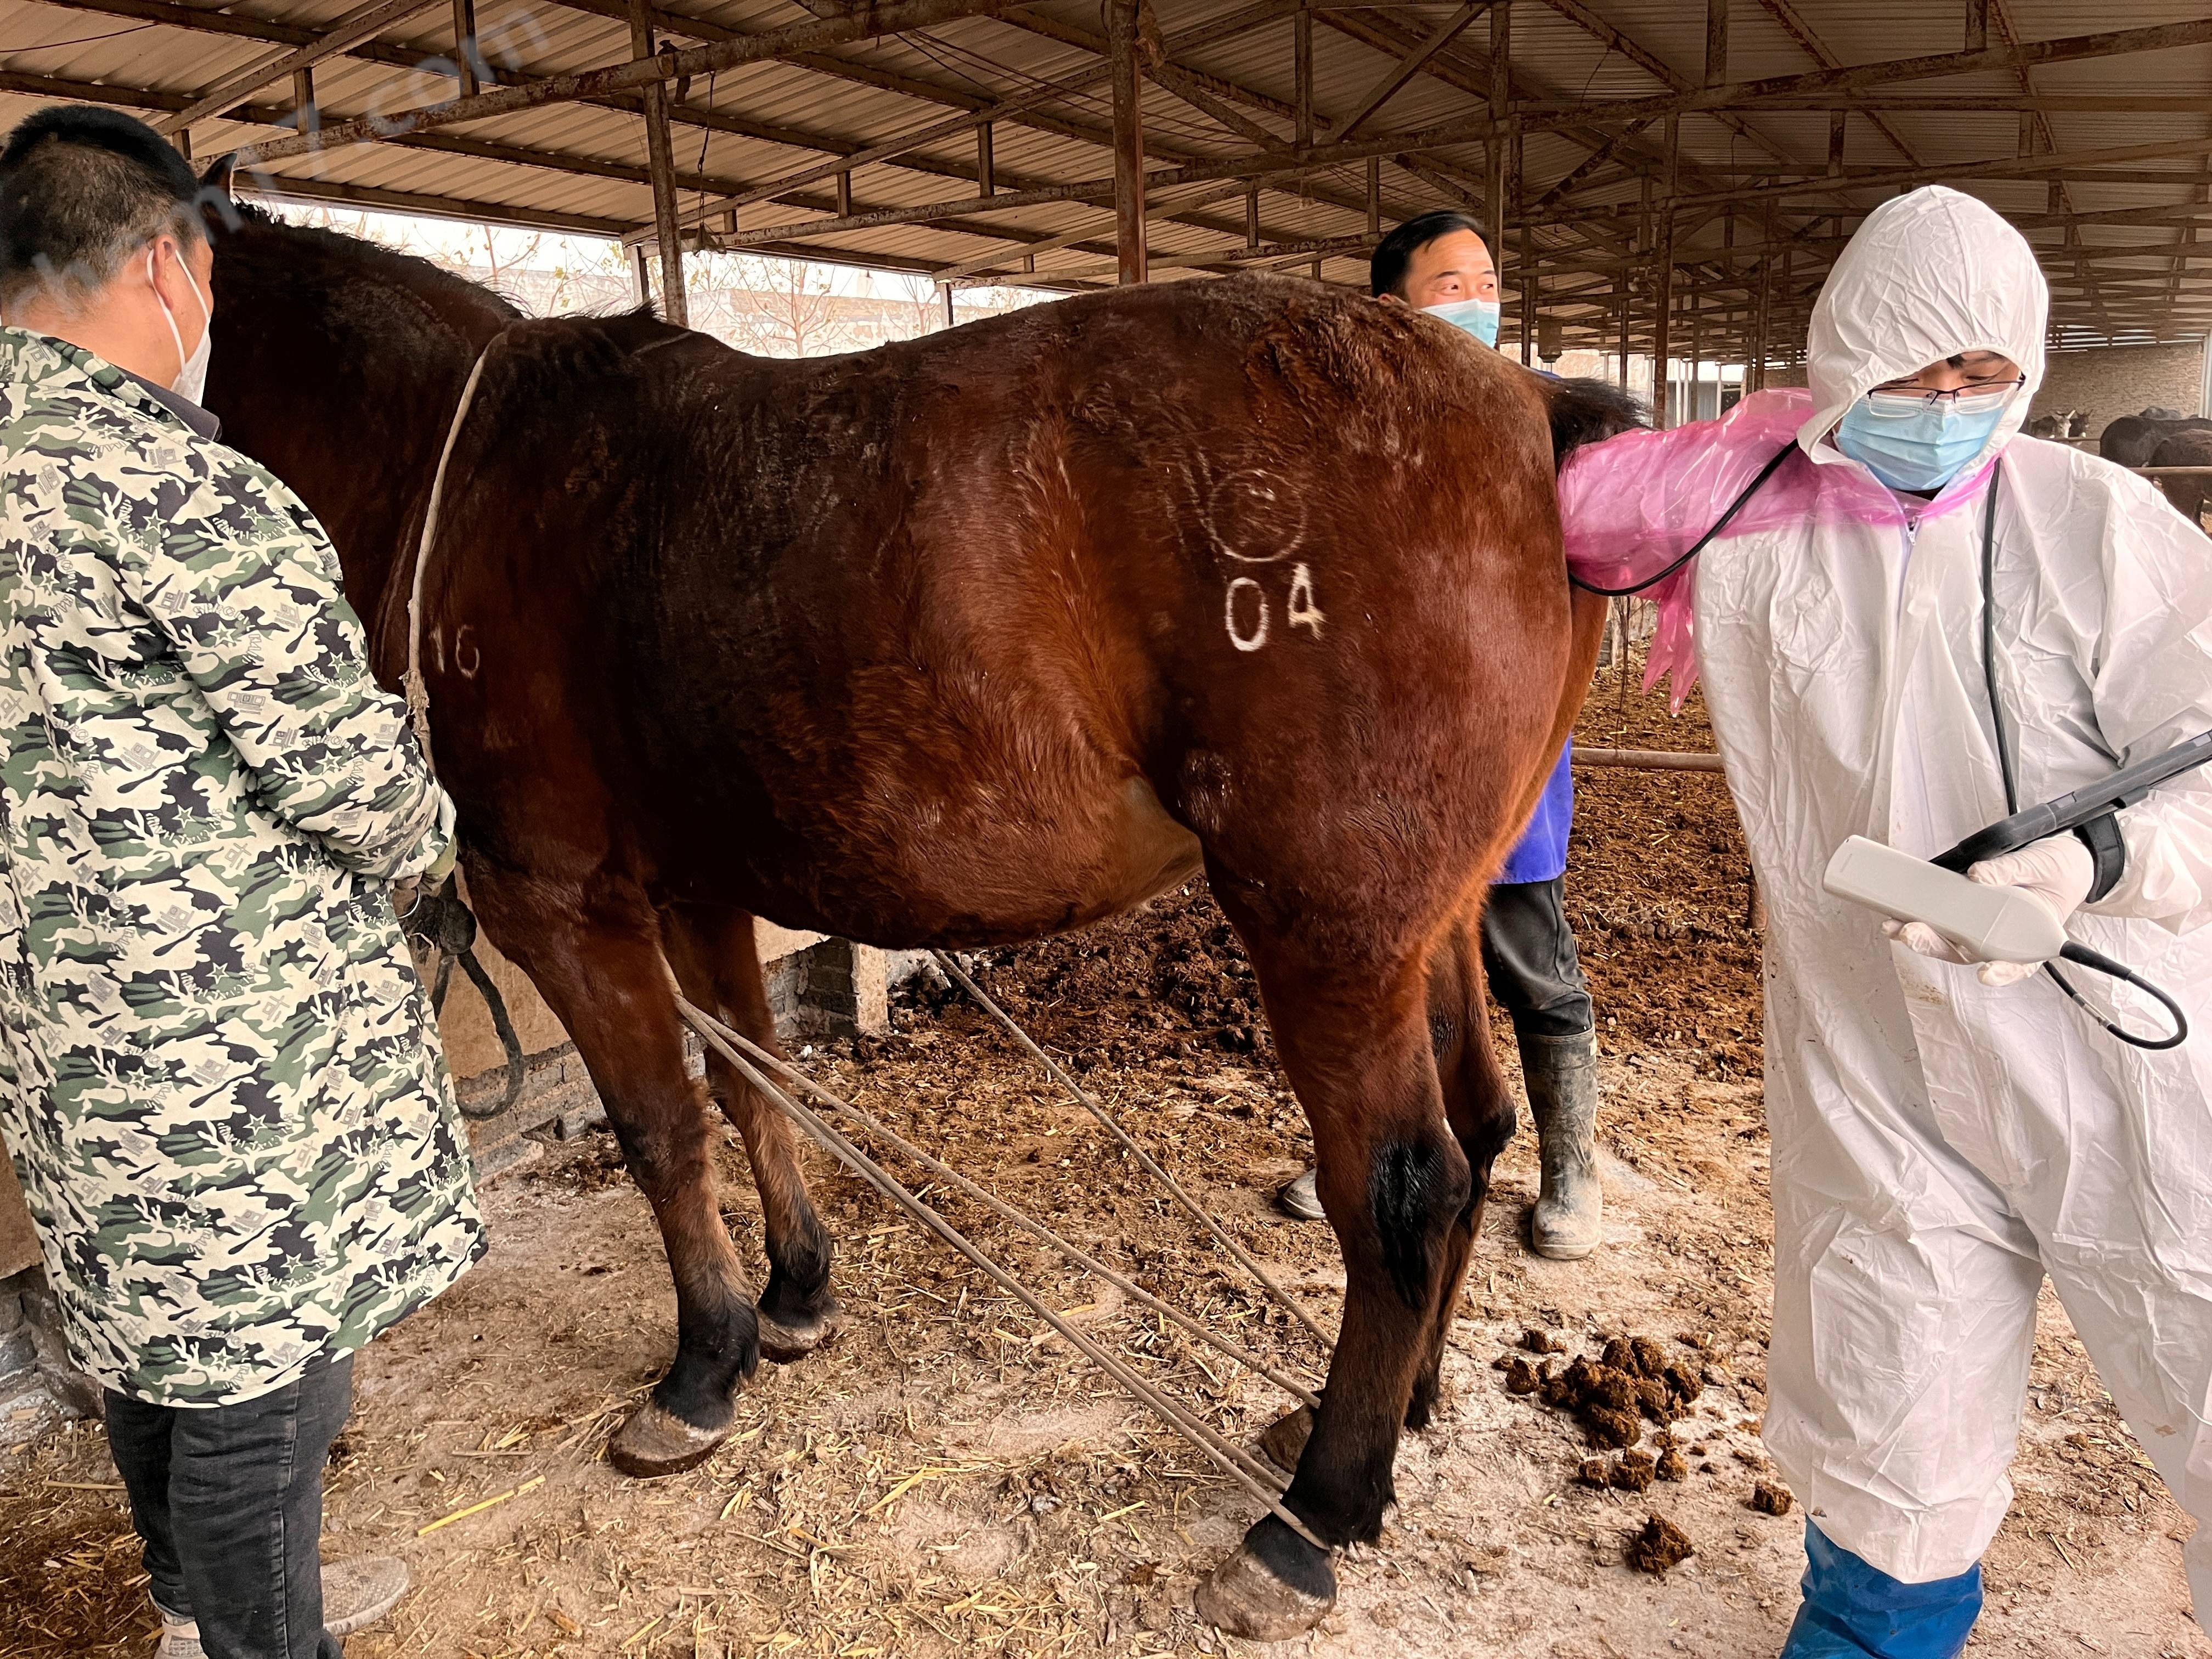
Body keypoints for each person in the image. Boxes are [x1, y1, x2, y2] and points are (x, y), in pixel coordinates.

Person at [1558, 184, 2212, 1656]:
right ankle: (1866, 1636)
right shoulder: (1747, 524)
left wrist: (2087, 862)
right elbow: (1537, 506)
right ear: (1844, 360)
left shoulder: (2092, 523)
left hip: (2116, 1045)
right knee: (1885, 1393)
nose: (1948, 404)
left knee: (2202, 1327)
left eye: (1983, 376)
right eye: (1915, 373)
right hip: (1876, 1054)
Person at [0, 107, 483, 1658]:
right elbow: (345, 772)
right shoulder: (174, 490)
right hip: (232, 1042)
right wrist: (433, 840)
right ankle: (262, 1642)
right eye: (205, 278)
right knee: (266, 1385)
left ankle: (183, 1615)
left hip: (53, 1027)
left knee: (146, 1332)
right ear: (160, 261)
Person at [1276, 208, 1605, 1261]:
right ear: (1391, 309)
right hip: (1375, 747)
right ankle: (1392, 1134)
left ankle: (1572, 1169)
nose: (1475, 300)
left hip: (1496, 730)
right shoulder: (1346, 442)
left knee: (1525, 947)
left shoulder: (1531, 422)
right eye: (1448, 284)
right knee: (1386, 960)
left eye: (1485, 280)